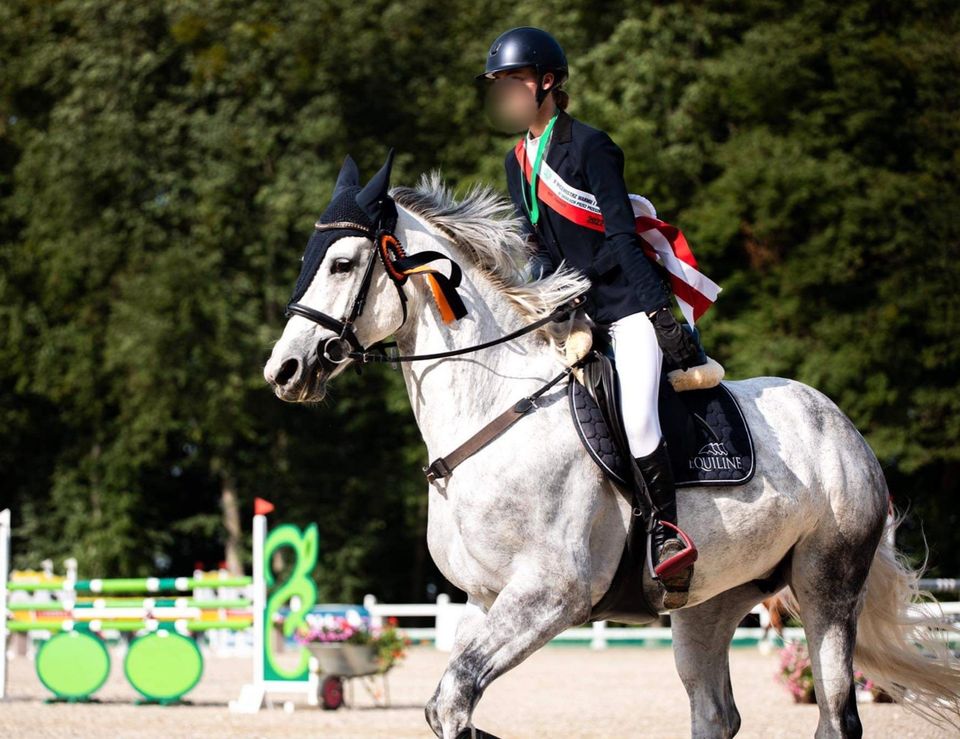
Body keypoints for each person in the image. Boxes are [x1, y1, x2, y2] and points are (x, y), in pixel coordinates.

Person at [478, 26, 701, 588]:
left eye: (513, 82)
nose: (504, 94)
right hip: (575, 314)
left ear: (547, 83)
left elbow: (624, 239)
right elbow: (537, 248)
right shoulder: (517, 160)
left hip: (626, 307)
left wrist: (660, 316)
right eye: (498, 85)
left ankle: (666, 532)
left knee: (637, 414)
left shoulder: (590, 146)